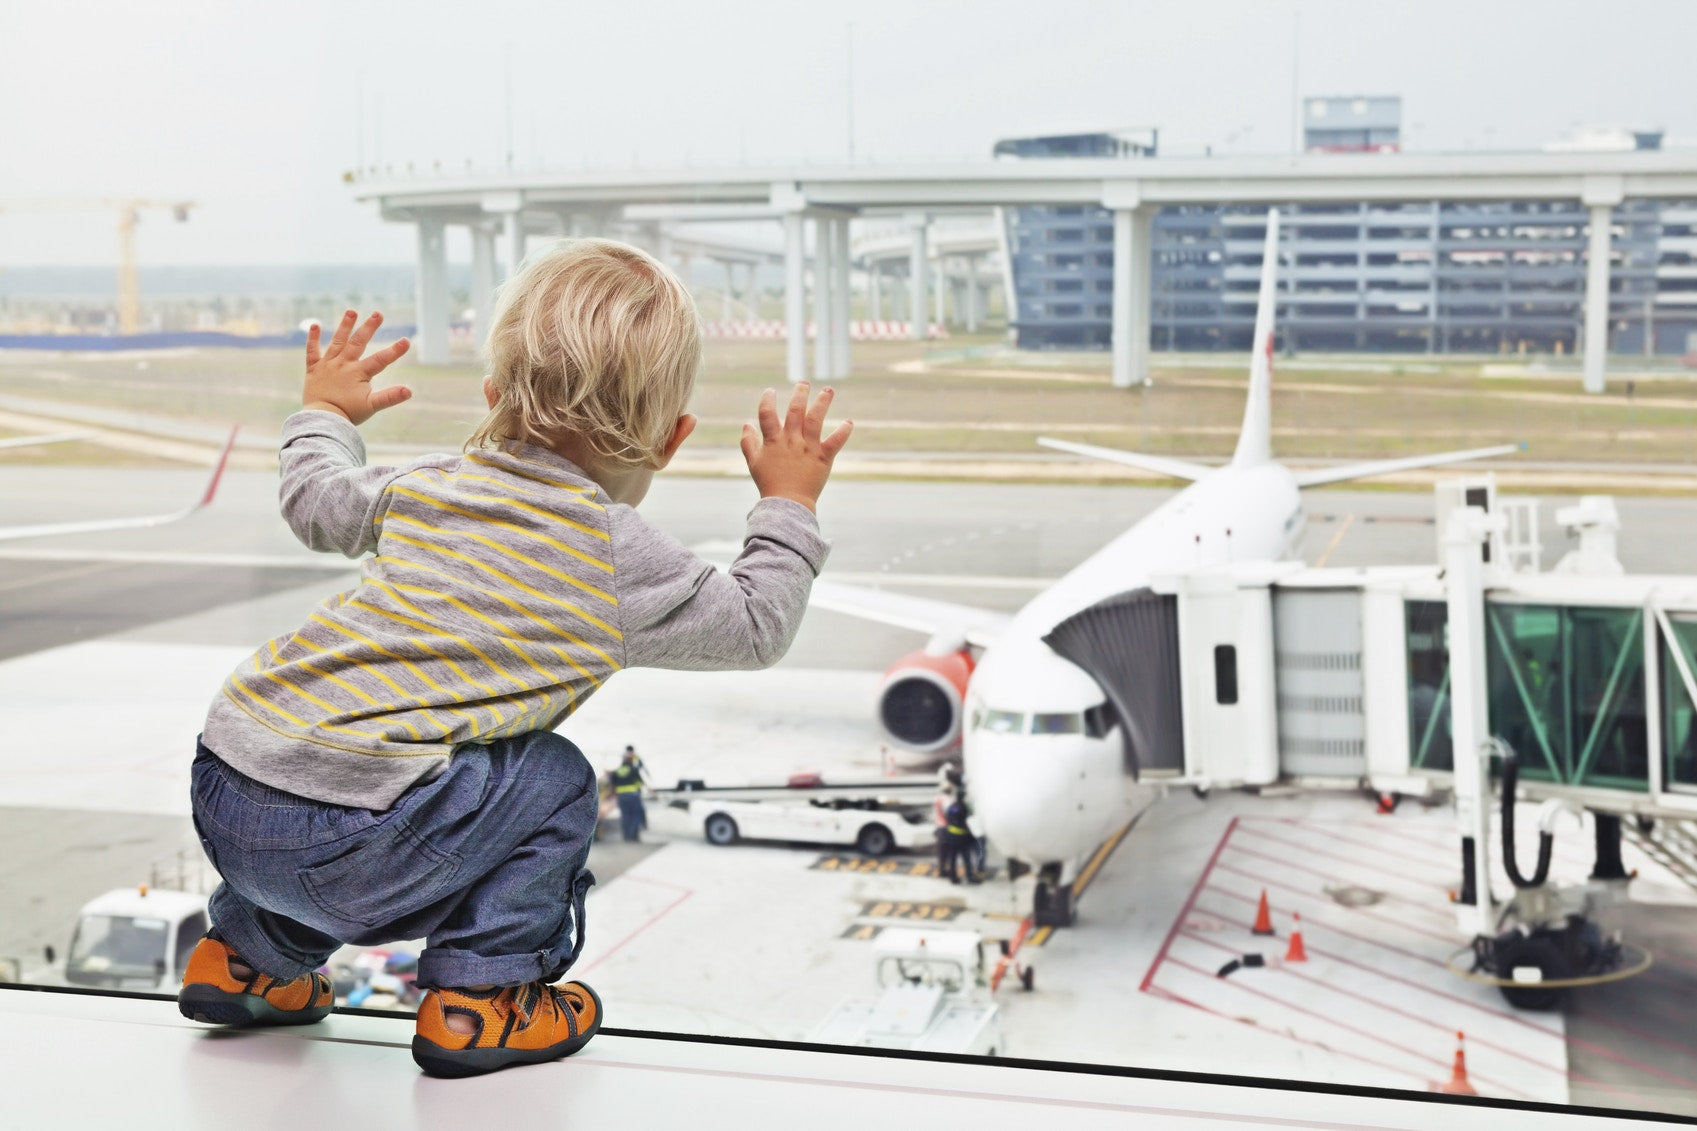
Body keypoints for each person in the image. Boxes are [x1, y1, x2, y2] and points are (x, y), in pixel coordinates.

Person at [175, 239, 852, 1078]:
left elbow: (314, 502)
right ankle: (481, 1000)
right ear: (672, 440)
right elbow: (756, 625)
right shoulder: (613, 555)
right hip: (353, 837)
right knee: (551, 780)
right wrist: (787, 502)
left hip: (228, 783)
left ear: (493, 394)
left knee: (394, 770)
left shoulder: (426, 484)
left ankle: (243, 958)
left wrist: (327, 413)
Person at [940, 790, 981, 885]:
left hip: (951, 836)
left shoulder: (951, 806)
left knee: (953, 858)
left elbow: (947, 817)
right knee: (966, 858)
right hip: (962, 837)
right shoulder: (963, 807)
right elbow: (967, 821)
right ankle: (969, 877)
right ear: (963, 797)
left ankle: (953, 878)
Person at [608, 747, 647, 843]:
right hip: (633, 796)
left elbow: (613, 786)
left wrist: (613, 796)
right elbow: (640, 783)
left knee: (625, 816)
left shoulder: (616, 771)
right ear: (630, 761)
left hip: (622, 797)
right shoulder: (633, 770)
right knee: (636, 816)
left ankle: (626, 836)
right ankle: (634, 836)